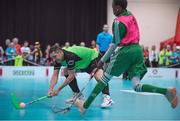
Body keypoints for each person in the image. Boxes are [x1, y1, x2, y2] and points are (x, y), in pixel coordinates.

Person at [74, 0, 178, 114]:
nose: (113, 9)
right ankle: (166, 92)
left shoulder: (118, 22)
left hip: (126, 51)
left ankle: (85, 106)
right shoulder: (131, 15)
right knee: (136, 85)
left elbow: (115, 44)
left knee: (104, 79)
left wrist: (102, 60)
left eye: (113, 7)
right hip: (138, 50)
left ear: (118, 7)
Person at [48, 45, 113, 108]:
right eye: (52, 58)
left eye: (55, 56)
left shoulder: (69, 56)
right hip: (83, 64)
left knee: (98, 76)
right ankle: (78, 95)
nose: (54, 59)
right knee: (66, 71)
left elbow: (71, 76)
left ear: (60, 52)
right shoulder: (58, 60)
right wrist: (50, 89)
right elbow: (55, 75)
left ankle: (107, 97)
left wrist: (58, 89)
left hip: (93, 57)